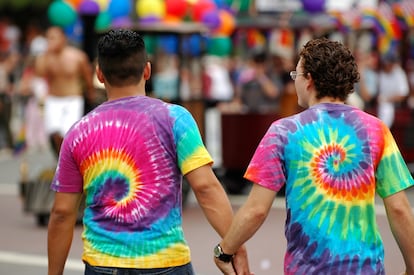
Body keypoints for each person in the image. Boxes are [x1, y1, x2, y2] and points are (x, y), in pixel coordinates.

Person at [47, 29, 250, 275]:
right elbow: (206, 188)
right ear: (147, 71)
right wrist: (235, 247)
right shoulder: (175, 119)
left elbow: (61, 213)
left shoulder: (78, 132)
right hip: (165, 263)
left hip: (103, 265)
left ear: (99, 74)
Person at [214, 38, 414, 274]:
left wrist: (224, 250)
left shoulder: (283, 132)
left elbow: (256, 210)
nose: (294, 80)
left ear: (309, 79)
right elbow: (399, 208)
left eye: (295, 74)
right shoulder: (376, 130)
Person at [34, 26, 96, 157]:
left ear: (63, 38)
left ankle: (71, 160)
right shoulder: (46, 57)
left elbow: (87, 76)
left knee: (68, 134)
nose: (50, 41)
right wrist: (46, 54)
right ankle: (62, 161)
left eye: (53, 37)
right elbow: (39, 73)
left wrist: (90, 92)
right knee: (55, 134)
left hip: (73, 99)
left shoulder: (77, 57)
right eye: (48, 38)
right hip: (54, 99)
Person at [377, 53, 409, 128]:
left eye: (389, 63)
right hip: (380, 102)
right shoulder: (380, 72)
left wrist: (387, 99)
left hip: (394, 104)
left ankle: (383, 130)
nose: (387, 65)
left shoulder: (399, 73)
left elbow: (403, 95)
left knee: (386, 108)